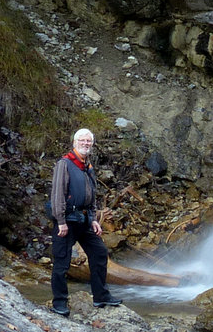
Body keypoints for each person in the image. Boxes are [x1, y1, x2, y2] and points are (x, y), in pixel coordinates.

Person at [49, 128, 122, 317]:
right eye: (82, 140)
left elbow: (91, 197)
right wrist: (61, 221)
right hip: (67, 221)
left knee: (99, 253)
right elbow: (57, 194)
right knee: (61, 263)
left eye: (88, 141)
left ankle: (101, 296)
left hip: (84, 221)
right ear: (74, 143)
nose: (85, 144)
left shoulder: (87, 167)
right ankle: (59, 302)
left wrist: (94, 220)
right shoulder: (64, 164)